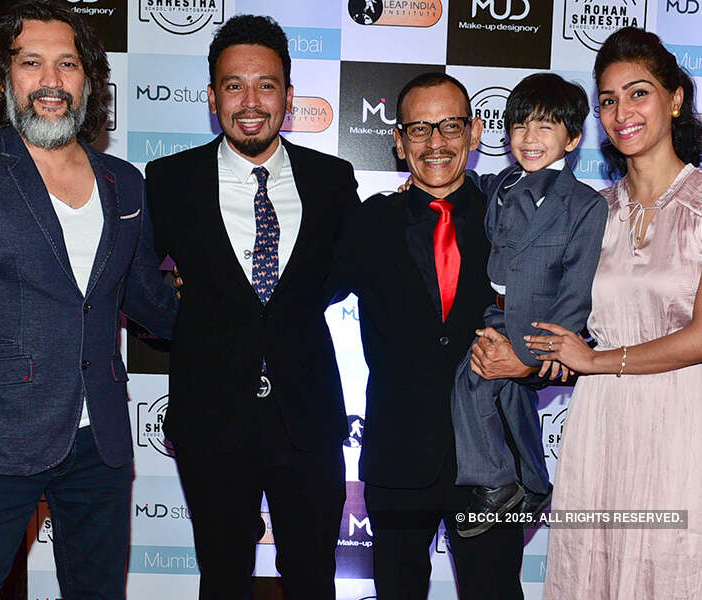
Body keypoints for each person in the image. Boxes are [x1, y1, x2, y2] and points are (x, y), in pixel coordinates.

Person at [0, 2, 177, 598]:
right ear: (4, 76)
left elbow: (147, 300)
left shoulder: (125, 182)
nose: (51, 81)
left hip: (100, 442)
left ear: (89, 80)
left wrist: (231, 297)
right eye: (31, 63)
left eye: (67, 64)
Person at [518, 27, 702, 598]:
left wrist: (594, 361)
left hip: (683, 422)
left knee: (675, 571)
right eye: (608, 100)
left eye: (638, 93)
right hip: (602, 425)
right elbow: (533, 293)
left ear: (675, 99)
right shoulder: (590, 211)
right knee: (594, 573)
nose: (622, 113)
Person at [145, 15, 359, 599]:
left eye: (266, 85)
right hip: (210, 417)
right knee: (222, 577)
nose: (250, 102)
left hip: (308, 414)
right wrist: (186, 314)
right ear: (212, 96)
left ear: (288, 97)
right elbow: (135, 281)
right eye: (234, 85)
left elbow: (345, 275)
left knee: (313, 577)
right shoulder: (169, 180)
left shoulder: (333, 180)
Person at [329, 72, 524, 599]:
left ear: (475, 132)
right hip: (397, 456)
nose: (435, 142)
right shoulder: (368, 223)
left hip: (491, 461)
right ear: (399, 141)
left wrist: (529, 359)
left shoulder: (513, 223)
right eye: (419, 129)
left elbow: (562, 318)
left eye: (450, 126)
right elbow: (301, 293)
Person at [450, 73, 608, 537]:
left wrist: (547, 346)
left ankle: (495, 482)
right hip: (496, 312)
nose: (529, 138)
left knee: (472, 383)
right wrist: (424, 187)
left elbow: (578, 287)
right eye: (519, 126)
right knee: (511, 398)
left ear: (572, 139)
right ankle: (536, 484)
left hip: (539, 324)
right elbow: (471, 185)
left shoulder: (584, 205)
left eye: (544, 127)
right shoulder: (501, 183)